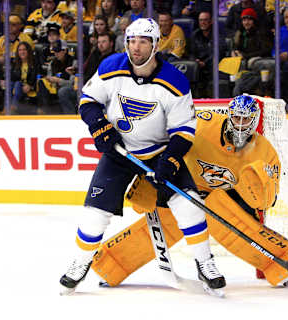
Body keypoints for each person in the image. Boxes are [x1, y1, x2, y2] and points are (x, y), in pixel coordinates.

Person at [59, 18, 226, 295]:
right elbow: (88, 101)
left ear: (156, 44)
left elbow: (184, 130)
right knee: (94, 214)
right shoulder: (111, 67)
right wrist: (100, 127)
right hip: (119, 152)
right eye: (132, 41)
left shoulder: (175, 81)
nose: (136, 47)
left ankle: (204, 262)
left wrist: (170, 161)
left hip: (160, 152)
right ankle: (80, 262)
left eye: (143, 41)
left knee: (190, 205)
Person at [90, 95, 288, 289]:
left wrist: (258, 183)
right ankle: (111, 265)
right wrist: (154, 171)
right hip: (185, 186)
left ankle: (279, 262)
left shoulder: (265, 152)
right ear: (229, 115)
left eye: (246, 120)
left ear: (255, 121)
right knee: (168, 222)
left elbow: (266, 202)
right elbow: (168, 138)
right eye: (237, 118)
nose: (241, 125)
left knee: (233, 224)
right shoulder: (204, 124)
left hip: (225, 199)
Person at [190, 11, 228, 98]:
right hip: (198, 67)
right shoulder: (195, 35)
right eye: (201, 20)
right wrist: (195, 61)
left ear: (211, 21)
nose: (203, 22)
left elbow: (219, 52)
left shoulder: (217, 34)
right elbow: (191, 53)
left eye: (205, 20)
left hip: (213, 65)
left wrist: (205, 63)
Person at [37, 37, 76, 114]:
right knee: (41, 83)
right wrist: (49, 80)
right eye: (54, 51)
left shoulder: (73, 62)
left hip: (70, 89)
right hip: (55, 87)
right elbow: (50, 77)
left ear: (65, 50)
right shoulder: (52, 63)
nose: (56, 54)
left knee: (63, 91)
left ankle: (70, 116)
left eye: (58, 51)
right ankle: (44, 113)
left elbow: (74, 83)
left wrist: (59, 81)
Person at [4, 42, 39, 114]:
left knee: (17, 84)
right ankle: (11, 106)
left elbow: (38, 77)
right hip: (18, 87)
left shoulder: (35, 62)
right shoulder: (14, 63)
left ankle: (11, 107)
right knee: (14, 84)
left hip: (30, 88)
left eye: (24, 50)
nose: (22, 52)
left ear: (28, 51)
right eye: (20, 50)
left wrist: (30, 85)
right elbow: (12, 78)